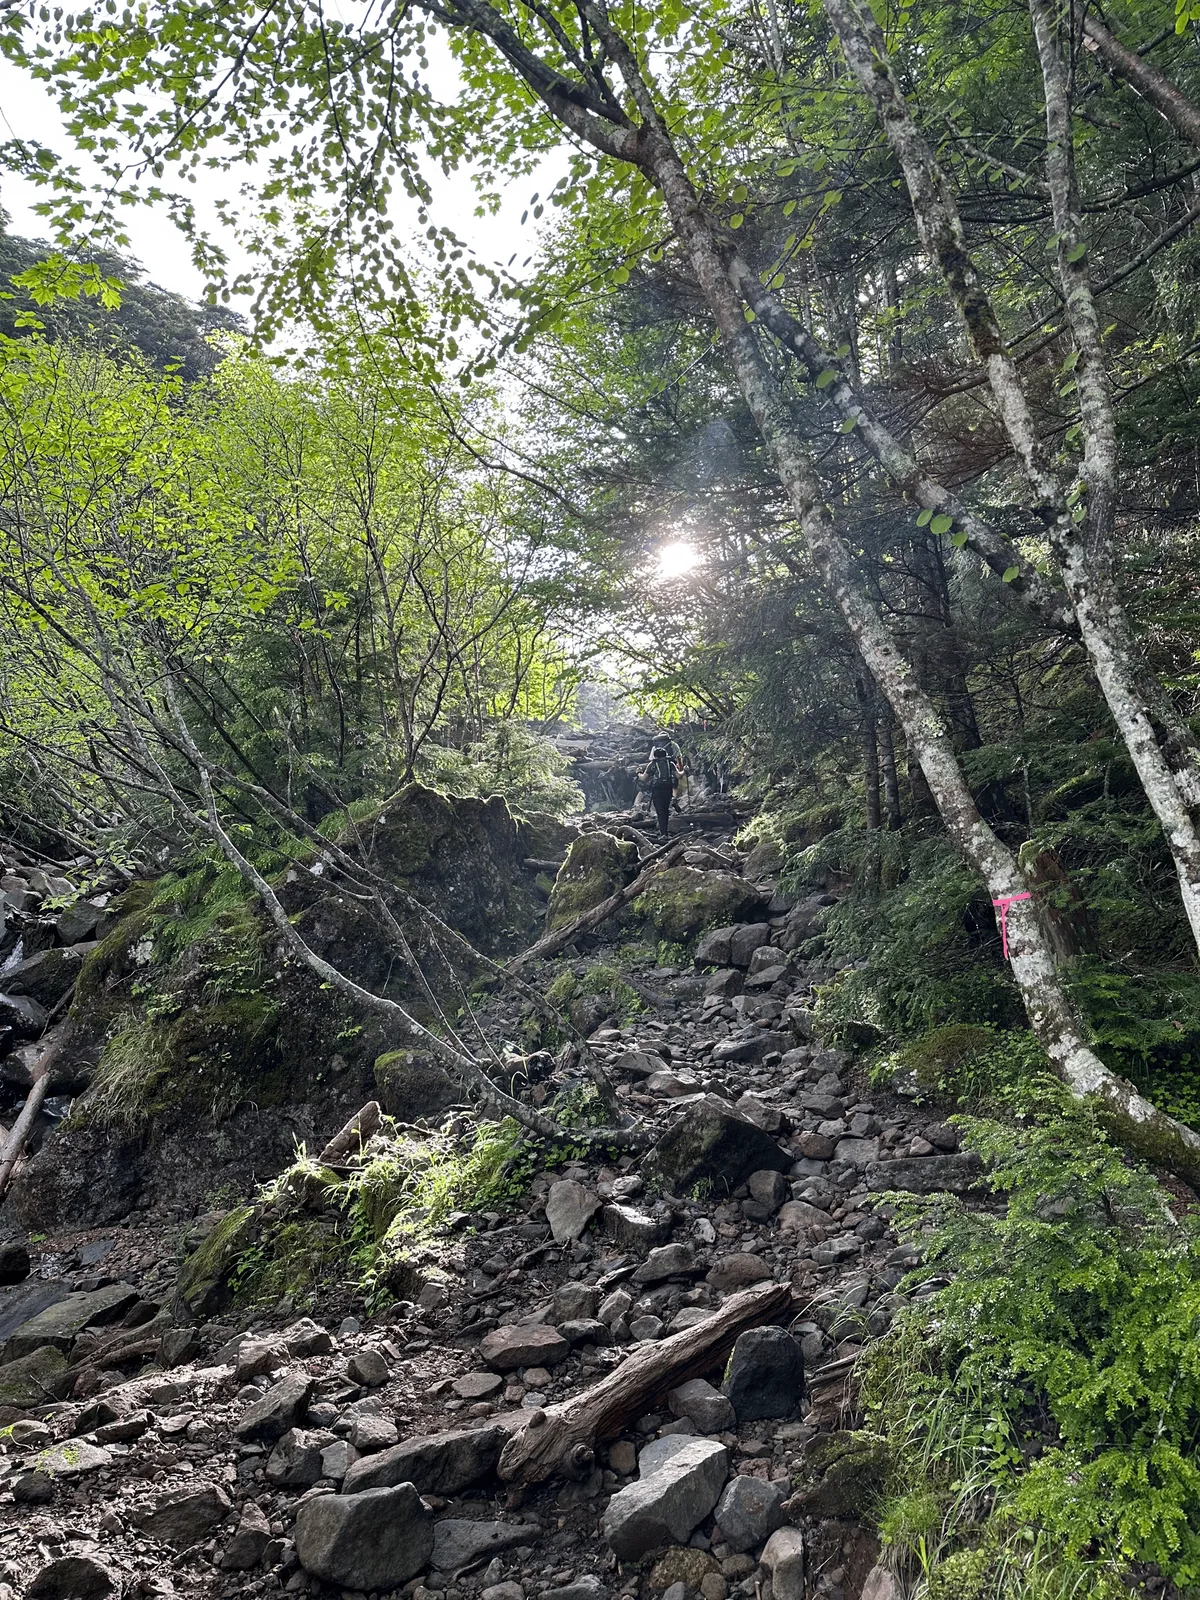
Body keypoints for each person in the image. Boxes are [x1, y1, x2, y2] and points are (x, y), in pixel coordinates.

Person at [639, 744, 678, 838]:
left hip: (657, 789)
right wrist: (685, 771)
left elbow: (644, 778)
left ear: (655, 756)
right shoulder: (670, 763)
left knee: (660, 811)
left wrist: (638, 773)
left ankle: (663, 833)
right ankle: (665, 832)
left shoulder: (652, 764)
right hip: (668, 788)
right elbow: (678, 775)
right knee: (665, 810)